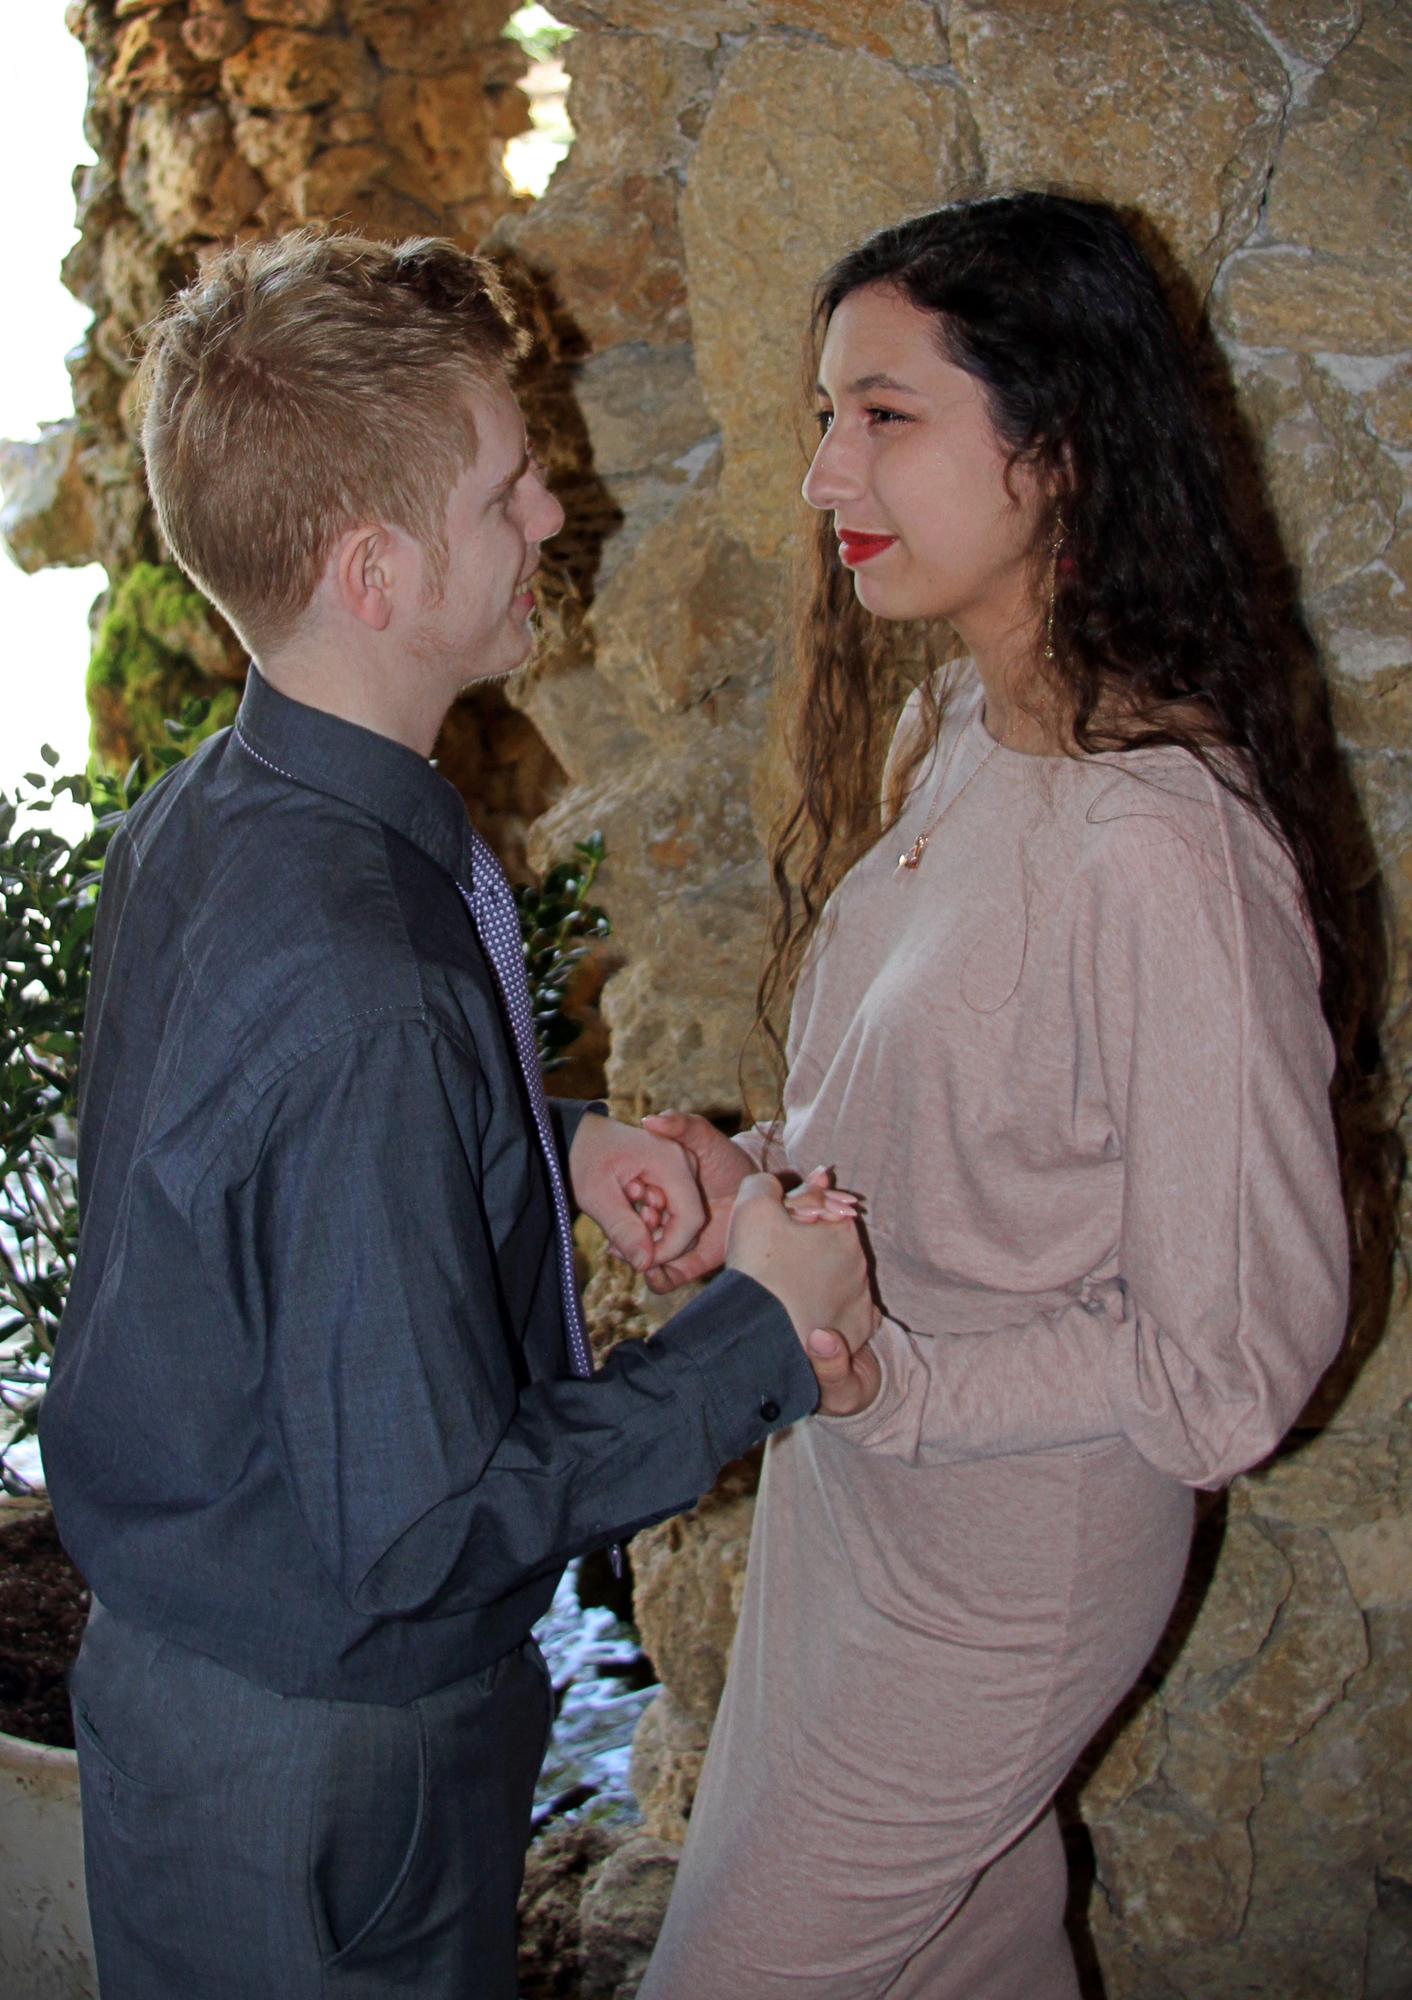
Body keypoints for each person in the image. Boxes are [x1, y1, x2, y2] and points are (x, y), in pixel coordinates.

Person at [38, 229, 877, 2000]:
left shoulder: (218, 811)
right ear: (372, 569)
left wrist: (558, 1139)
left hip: (205, 1691)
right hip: (329, 1760)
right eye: (505, 493)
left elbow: (259, 1157)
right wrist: (763, 1333)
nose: (551, 521)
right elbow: (420, 1529)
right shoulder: (369, 983)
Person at [636, 192, 1352, 1999]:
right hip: (861, 1489)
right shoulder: (948, 731)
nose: (823, 475)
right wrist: (753, 1189)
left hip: (1002, 1569)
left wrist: (913, 1382)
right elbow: (938, 1133)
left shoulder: (1161, 851)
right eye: (823, 417)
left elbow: (1236, 1364)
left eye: (884, 416)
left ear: (1060, 449)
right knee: (964, 1955)